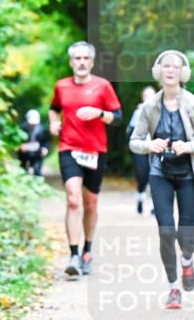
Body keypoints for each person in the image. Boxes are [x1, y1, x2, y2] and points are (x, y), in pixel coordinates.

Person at [129, 51, 194, 309]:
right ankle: (173, 288)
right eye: (166, 66)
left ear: (183, 72)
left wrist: (189, 147)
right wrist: (149, 145)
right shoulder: (149, 107)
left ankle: (187, 261)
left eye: (175, 67)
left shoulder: (193, 104)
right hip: (160, 174)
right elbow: (134, 141)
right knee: (166, 232)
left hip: (190, 175)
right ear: (159, 71)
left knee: (186, 237)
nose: (170, 70)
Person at [49, 41, 122, 278]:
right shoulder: (61, 86)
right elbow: (54, 108)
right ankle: (73, 255)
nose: (81, 62)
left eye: (85, 58)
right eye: (77, 58)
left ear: (91, 62)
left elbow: (118, 118)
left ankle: (87, 251)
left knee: (90, 204)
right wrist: (53, 123)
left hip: (95, 151)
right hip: (69, 148)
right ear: (71, 62)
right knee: (73, 200)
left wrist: (99, 113)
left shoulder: (103, 86)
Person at [127, 86, 157, 215]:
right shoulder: (138, 112)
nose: (149, 98)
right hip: (141, 149)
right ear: (143, 98)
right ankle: (140, 196)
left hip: (156, 148)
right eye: (146, 96)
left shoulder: (160, 109)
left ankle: (154, 206)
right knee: (142, 175)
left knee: (155, 176)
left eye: (151, 95)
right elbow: (132, 133)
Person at [17, 109, 50, 176]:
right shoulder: (21, 128)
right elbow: (17, 140)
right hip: (24, 154)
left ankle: (37, 180)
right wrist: (20, 146)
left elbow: (46, 141)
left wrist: (45, 148)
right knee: (23, 169)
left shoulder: (42, 129)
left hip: (37, 153)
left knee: (37, 170)